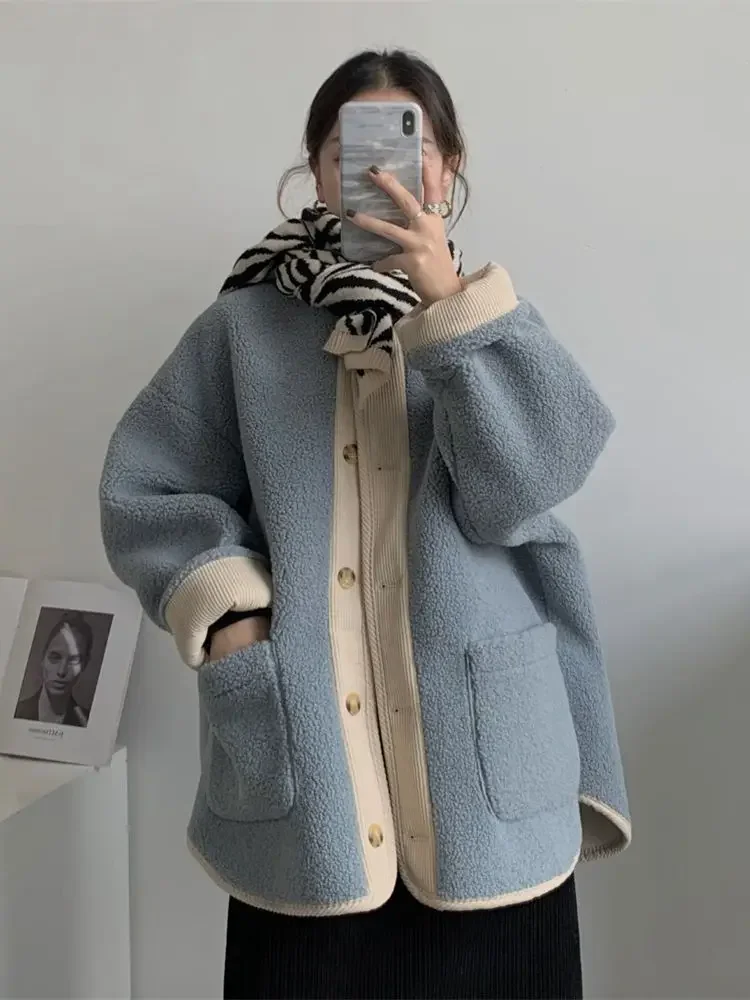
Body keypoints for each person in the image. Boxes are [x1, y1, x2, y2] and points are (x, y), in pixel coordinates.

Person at [100, 49, 631, 1000]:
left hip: (487, 776)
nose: (383, 170)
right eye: (352, 150)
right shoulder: (242, 330)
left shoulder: (494, 326)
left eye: (409, 145)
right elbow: (148, 487)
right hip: (311, 782)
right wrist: (231, 615)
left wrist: (452, 312)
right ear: (317, 171)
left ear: (448, 168)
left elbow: (528, 487)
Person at [15, 611, 92, 727]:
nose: (61, 671)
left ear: (84, 664)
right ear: (43, 657)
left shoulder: (88, 722)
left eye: (74, 660)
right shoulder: (15, 712)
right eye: (55, 657)